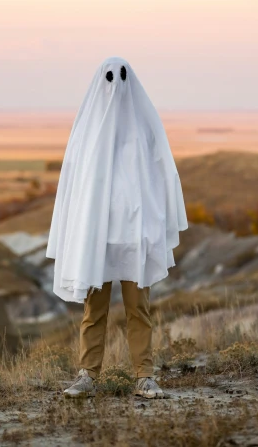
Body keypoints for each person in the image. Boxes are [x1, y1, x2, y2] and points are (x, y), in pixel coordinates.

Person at [46, 56, 188, 398]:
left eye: (121, 76)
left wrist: (154, 223)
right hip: (98, 238)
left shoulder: (144, 131)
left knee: (138, 308)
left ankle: (144, 376)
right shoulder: (88, 135)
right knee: (94, 310)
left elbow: (161, 176)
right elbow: (76, 188)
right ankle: (87, 376)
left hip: (134, 238)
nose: (115, 83)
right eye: (109, 77)